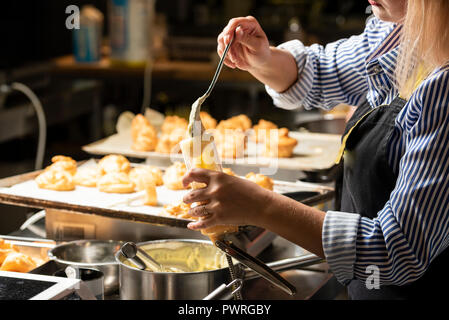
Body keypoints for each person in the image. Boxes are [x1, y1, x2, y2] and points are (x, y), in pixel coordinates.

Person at [182, 0, 449, 299]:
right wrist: (263, 59)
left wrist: (261, 206)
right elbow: (321, 71)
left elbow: (396, 249)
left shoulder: (444, 87)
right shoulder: (401, 30)